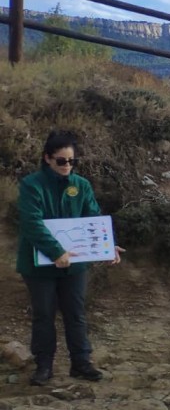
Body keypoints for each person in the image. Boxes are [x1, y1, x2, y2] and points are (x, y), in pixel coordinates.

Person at [17, 131, 123, 386]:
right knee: (44, 314)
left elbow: (93, 220)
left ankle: (81, 362)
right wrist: (56, 252)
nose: (67, 166)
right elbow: (32, 224)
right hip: (39, 265)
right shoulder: (32, 185)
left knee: (76, 312)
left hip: (74, 265)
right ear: (47, 158)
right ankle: (44, 365)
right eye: (61, 161)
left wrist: (108, 248)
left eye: (71, 161)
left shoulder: (81, 185)